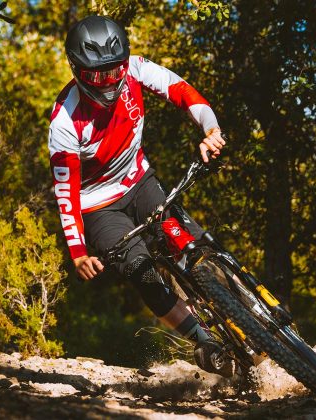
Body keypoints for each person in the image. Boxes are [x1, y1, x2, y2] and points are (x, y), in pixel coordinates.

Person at [48, 15, 231, 376]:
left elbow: (183, 92)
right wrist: (78, 253)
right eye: (96, 76)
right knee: (141, 271)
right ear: (77, 71)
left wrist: (211, 130)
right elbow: (65, 192)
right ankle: (204, 340)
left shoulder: (136, 69)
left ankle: (248, 306)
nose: (108, 81)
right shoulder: (64, 121)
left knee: (188, 240)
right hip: (98, 206)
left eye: (114, 71)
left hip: (139, 180)